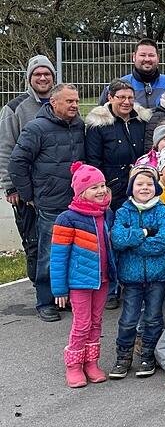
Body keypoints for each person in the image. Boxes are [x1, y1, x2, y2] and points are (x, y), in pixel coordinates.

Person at [9, 83, 85, 322]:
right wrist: (29, 195)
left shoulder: (80, 126)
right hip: (50, 203)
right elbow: (17, 163)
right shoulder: (36, 128)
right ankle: (45, 301)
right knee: (49, 254)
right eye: (69, 101)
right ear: (54, 103)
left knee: (73, 253)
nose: (75, 105)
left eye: (76, 101)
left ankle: (66, 298)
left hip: (76, 203)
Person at [51, 163, 115, 387]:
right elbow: (58, 257)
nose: (101, 191)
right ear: (80, 192)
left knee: (96, 322)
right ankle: (74, 366)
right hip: (79, 282)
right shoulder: (67, 218)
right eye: (94, 187)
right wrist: (59, 289)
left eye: (103, 185)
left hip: (103, 280)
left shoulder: (106, 213)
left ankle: (91, 362)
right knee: (82, 324)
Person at [109, 165, 165, 379]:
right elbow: (117, 239)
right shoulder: (123, 212)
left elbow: (163, 242)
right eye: (139, 184)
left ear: (156, 187)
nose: (144, 188)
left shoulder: (163, 211)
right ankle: (123, 356)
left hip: (158, 276)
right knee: (128, 318)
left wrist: (134, 243)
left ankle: (148, 354)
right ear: (131, 188)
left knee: (153, 317)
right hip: (131, 277)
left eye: (149, 184)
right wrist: (145, 233)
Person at [0, 55, 55, 293]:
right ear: (29, 78)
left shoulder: (61, 103)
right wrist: (10, 186)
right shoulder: (14, 108)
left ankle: (58, 292)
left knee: (57, 243)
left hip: (55, 188)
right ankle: (41, 292)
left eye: (47, 74)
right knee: (34, 242)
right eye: (37, 74)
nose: (42, 78)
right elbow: (5, 148)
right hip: (26, 189)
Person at [85, 79, 151, 211]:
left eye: (130, 98)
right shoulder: (99, 124)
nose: (126, 102)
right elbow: (94, 161)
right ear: (110, 97)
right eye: (121, 97)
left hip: (141, 187)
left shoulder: (142, 121)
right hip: (113, 190)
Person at [99, 38, 165, 109]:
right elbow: (100, 117)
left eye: (151, 55)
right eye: (142, 55)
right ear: (134, 57)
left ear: (158, 58)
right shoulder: (116, 87)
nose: (147, 59)